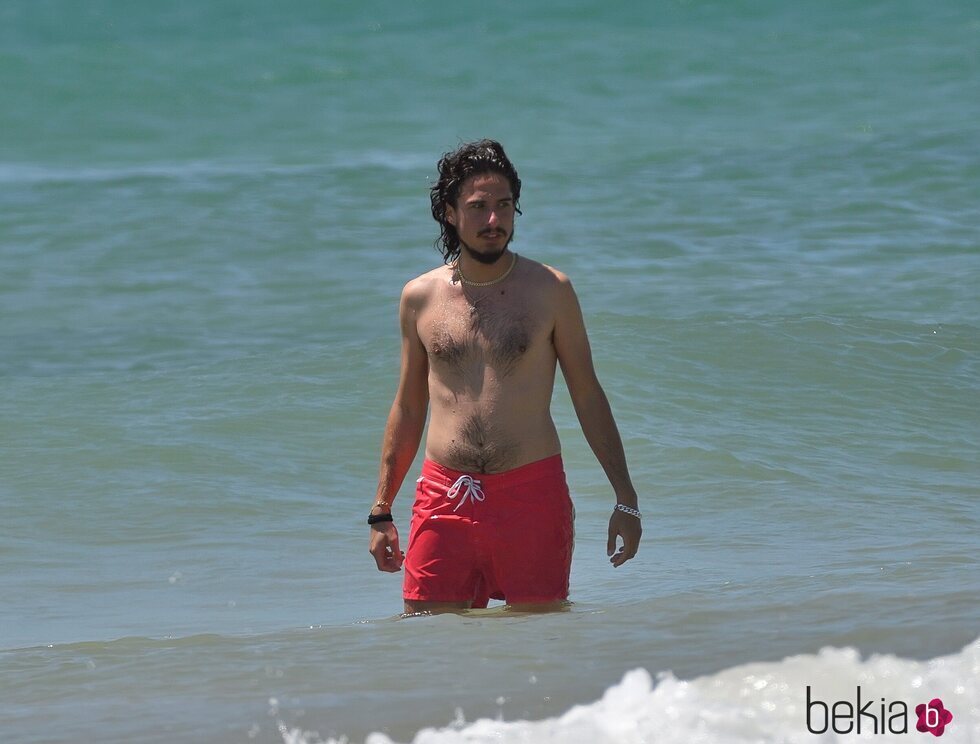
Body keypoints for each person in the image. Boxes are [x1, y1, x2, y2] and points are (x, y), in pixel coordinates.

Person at [368, 139, 641, 613]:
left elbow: (587, 395)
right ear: (450, 213)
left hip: (531, 496)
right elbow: (409, 407)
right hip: (443, 496)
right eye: (477, 208)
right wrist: (381, 511)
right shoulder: (420, 298)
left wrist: (626, 499)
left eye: (504, 206)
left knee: (537, 638)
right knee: (428, 643)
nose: (493, 220)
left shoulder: (551, 291)